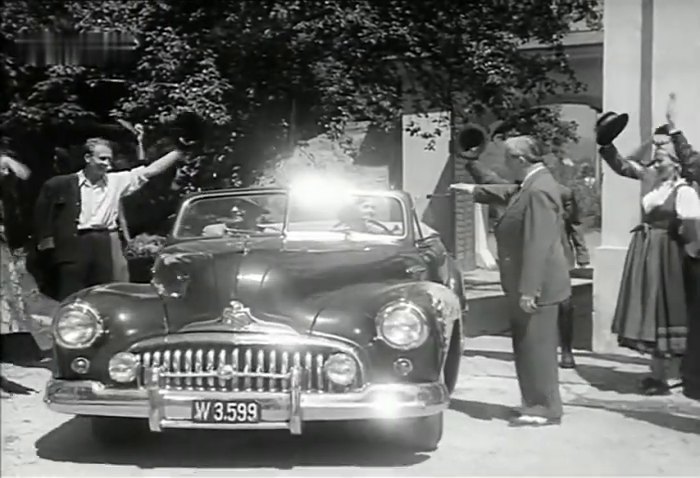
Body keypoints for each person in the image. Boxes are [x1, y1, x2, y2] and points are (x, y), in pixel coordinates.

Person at [451, 136, 571, 426]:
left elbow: (537, 244)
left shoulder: (539, 190)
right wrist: (474, 189)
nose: (505, 164)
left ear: (520, 159)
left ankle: (546, 407)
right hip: (525, 281)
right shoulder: (532, 183)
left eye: (507, 159)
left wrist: (530, 289)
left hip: (538, 285)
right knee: (527, 344)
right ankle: (532, 402)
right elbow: (510, 193)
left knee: (538, 346)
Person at [596, 96, 700, 396]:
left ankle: (670, 376)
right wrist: (606, 145)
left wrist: (688, 258)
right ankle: (657, 374)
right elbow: (621, 166)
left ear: (676, 163)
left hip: (668, 255)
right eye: (656, 155)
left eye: (663, 155)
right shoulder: (653, 180)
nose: (656, 159)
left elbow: (693, 229)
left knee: (668, 312)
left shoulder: (684, 190)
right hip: (647, 252)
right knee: (652, 313)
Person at [33, 136, 191, 300]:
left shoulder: (115, 181)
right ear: (88, 158)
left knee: (103, 292)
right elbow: (43, 214)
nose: (107, 163)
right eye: (102, 158)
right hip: (73, 243)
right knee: (71, 293)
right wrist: (47, 243)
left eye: (109, 159)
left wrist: (178, 152)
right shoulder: (61, 184)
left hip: (102, 242)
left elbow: (150, 170)